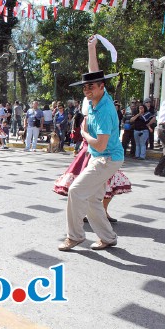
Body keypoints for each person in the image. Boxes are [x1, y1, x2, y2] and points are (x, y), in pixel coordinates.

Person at [58, 35, 124, 252]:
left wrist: (84, 134)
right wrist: (91, 48)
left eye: (91, 87)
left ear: (102, 87)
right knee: (93, 199)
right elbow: (93, 71)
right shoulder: (96, 100)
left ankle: (75, 236)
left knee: (76, 191)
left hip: (106, 157)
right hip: (101, 157)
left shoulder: (104, 109)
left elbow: (102, 145)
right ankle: (108, 237)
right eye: (85, 87)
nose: (87, 90)